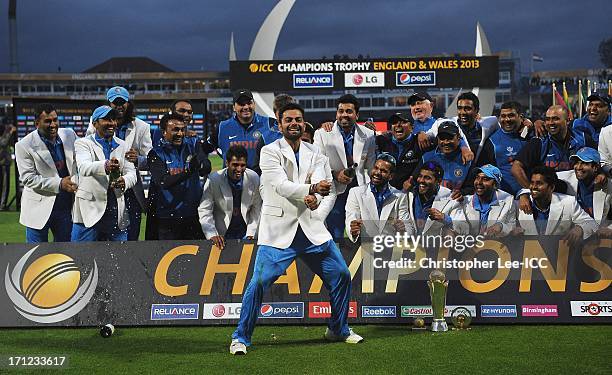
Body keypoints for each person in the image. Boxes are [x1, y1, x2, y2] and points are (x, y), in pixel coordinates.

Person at [230, 102, 361, 355]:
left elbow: (324, 187)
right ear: (279, 125)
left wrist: (317, 199)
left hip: (311, 230)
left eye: (298, 119)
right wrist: (311, 191)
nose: (294, 123)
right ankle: (241, 337)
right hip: (278, 231)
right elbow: (280, 185)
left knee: (342, 275)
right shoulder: (269, 151)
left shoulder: (317, 153)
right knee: (257, 284)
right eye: (288, 120)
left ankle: (338, 329)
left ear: (303, 123)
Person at [87, 86, 153, 241]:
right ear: (109, 104)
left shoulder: (142, 127)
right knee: (101, 237)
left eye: (122, 102)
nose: (119, 106)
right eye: (115, 102)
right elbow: (90, 154)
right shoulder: (95, 124)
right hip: (102, 188)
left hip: (130, 190)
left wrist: (137, 160)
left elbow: (151, 160)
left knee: (130, 239)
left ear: (128, 103)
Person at [313, 94, 376, 241]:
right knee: (335, 234)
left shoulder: (368, 134)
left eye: (349, 111)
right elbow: (317, 164)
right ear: (336, 113)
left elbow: (371, 165)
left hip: (359, 189)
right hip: (335, 190)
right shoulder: (322, 134)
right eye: (341, 111)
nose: (344, 115)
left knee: (361, 232)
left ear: (356, 114)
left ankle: (362, 264)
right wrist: (335, 174)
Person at [512, 105, 596, 214]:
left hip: (581, 198)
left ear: (568, 120)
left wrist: (600, 174)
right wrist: (529, 190)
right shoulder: (539, 141)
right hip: (551, 201)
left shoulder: (583, 139)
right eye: (547, 119)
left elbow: (597, 163)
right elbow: (516, 168)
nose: (550, 123)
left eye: (555, 118)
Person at [72, 106, 137, 242]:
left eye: (114, 119)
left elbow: (132, 174)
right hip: (89, 211)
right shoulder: (83, 143)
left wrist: (124, 181)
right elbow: (84, 168)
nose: (112, 123)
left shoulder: (123, 145)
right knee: (81, 259)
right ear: (95, 123)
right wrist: (105, 165)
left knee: (119, 259)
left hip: (116, 211)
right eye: (107, 119)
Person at [15, 103, 78, 242]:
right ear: (37, 123)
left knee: (65, 255)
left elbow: (81, 160)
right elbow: (28, 178)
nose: (53, 124)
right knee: (35, 256)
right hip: (38, 208)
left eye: (55, 120)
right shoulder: (24, 145)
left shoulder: (69, 134)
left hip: (65, 207)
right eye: (48, 121)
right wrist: (60, 183)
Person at [147, 113, 211, 240]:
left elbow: (206, 166)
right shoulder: (155, 153)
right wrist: (188, 171)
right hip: (167, 219)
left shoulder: (192, 144)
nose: (180, 134)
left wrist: (202, 164)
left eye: (182, 130)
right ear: (164, 132)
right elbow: (163, 181)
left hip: (193, 215)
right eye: (175, 130)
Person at [516, 166, 597, 247]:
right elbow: (507, 226)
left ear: (551, 187)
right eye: (532, 183)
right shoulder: (521, 203)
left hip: (558, 256)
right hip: (529, 256)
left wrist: (580, 229)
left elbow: (591, 223)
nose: (533, 187)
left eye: (539, 183)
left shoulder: (568, 202)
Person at [198, 144, 261, 248]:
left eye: (242, 165)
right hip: (222, 234)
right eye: (235, 165)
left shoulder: (254, 178)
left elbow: (257, 209)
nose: (239, 169)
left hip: (246, 232)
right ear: (227, 163)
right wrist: (212, 234)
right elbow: (204, 210)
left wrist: (251, 233)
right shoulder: (213, 180)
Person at [345, 153, 412, 242]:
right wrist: (353, 230)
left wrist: (403, 230)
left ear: (391, 176)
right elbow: (351, 218)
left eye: (383, 171)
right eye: (376, 168)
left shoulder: (400, 196)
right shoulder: (355, 192)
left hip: (391, 248)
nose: (377, 173)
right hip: (365, 246)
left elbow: (409, 228)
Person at [205, 89, 272, 169]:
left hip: (260, 180)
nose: (246, 107)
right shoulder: (222, 127)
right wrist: (203, 161)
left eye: (249, 103)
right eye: (241, 104)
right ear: (234, 107)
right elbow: (204, 147)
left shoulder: (269, 124)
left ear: (254, 104)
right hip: (231, 181)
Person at [476, 101, 531, 196]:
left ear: (521, 117)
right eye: (503, 116)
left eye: (511, 115)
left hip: (532, 196)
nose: (507, 119)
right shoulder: (492, 142)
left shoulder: (531, 136)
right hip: (505, 199)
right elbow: (484, 173)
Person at [556, 147, 612, 238]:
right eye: (576, 162)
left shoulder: (609, 186)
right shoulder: (566, 177)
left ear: (595, 167)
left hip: (600, 238)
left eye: (584, 163)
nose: (578, 167)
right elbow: (539, 180)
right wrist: (524, 194)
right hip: (571, 237)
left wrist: (610, 229)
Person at [450, 165, 516, 237]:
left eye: (485, 179)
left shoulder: (508, 201)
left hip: (494, 245)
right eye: (477, 177)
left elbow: (511, 226)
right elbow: (456, 227)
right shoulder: (463, 201)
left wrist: (501, 227)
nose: (479, 182)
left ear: (495, 185)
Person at [416, 121, 474, 196]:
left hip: (455, 204)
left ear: (458, 138)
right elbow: (416, 182)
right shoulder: (427, 158)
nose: (446, 142)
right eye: (442, 138)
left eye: (450, 138)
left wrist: (462, 193)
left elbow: (472, 187)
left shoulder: (467, 159)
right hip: (429, 204)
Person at [406, 161, 460, 236]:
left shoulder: (451, 198)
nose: (421, 180)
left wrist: (444, 218)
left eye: (427, 178)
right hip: (410, 243)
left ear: (439, 181)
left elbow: (463, 227)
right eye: (420, 176)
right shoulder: (410, 194)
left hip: (434, 245)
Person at [375, 112, 425, 191]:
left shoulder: (419, 143)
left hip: (411, 192)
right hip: (385, 191)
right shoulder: (381, 140)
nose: (398, 125)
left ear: (412, 127)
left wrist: (414, 179)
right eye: (394, 122)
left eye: (403, 122)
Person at [252, 93, 295, 174]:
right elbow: (257, 167)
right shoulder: (265, 138)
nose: (285, 116)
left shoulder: (303, 131)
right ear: (275, 113)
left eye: (287, 111)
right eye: (281, 112)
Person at [0, 123, 16, 210]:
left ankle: (2, 204)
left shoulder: (2, 137)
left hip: (3, 164)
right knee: (5, 185)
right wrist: (10, 132)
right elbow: (3, 143)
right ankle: (2, 205)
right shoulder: (2, 139)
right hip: (4, 164)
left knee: (2, 185)